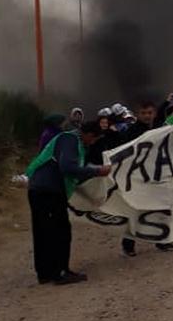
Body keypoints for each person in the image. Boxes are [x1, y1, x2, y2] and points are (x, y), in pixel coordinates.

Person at [24, 121, 111, 284]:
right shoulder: (71, 140)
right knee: (61, 231)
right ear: (90, 135)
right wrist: (97, 170)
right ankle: (60, 272)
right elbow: (67, 168)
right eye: (93, 140)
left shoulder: (68, 139)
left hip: (39, 189)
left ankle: (45, 273)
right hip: (49, 191)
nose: (91, 143)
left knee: (43, 232)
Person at [121, 102, 173, 257]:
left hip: (156, 176)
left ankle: (162, 240)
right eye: (143, 113)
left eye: (149, 112)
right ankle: (128, 245)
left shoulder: (157, 131)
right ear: (137, 114)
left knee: (162, 209)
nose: (147, 115)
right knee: (135, 211)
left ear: (153, 114)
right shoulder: (131, 132)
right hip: (138, 178)